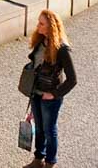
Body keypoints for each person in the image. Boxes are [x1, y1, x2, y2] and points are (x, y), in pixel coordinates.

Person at [24, 10, 77, 168]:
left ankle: (50, 163)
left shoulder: (61, 49)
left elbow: (72, 79)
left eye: (41, 23)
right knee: (39, 129)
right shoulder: (41, 42)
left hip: (50, 98)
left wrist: (54, 94)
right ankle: (38, 159)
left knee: (49, 131)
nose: (38, 26)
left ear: (51, 27)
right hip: (36, 93)